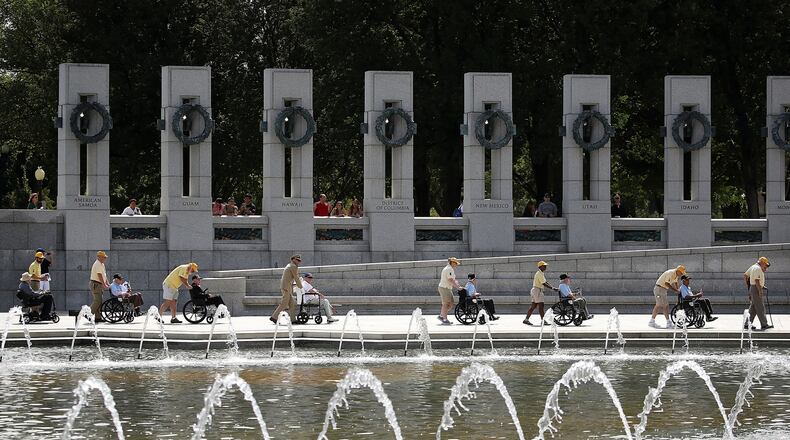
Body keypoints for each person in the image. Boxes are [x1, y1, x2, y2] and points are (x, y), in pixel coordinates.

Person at [270, 254, 302, 324]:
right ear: (293, 259)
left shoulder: (289, 265)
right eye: (297, 260)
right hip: (287, 287)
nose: (298, 262)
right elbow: (296, 277)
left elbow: (290, 278)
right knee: (284, 303)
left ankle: (293, 319)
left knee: (292, 303)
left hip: (286, 286)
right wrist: (301, 287)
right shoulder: (293, 266)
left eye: (299, 260)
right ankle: (274, 317)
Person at [524, 261, 557, 325]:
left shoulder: (540, 273)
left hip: (536, 290)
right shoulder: (539, 274)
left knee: (533, 306)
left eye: (545, 266)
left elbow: (545, 282)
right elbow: (544, 283)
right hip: (537, 290)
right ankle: (543, 321)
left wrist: (552, 287)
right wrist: (553, 288)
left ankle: (526, 319)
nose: (545, 267)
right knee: (541, 306)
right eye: (544, 266)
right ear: (540, 267)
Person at [743, 256, 772, 330]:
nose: (766, 267)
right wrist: (760, 290)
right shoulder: (757, 268)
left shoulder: (753, 267)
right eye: (765, 265)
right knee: (760, 307)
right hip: (756, 289)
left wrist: (750, 287)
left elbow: (745, 275)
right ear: (761, 263)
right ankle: (764, 324)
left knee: (753, 308)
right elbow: (756, 280)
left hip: (754, 288)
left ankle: (747, 324)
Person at [437, 257, 461, 325]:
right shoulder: (449, 269)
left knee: (451, 303)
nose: (456, 265)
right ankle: (444, 319)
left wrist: (458, 286)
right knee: (446, 304)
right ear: (452, 262)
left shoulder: (450, 269)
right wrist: (457, 287)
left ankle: (442, 316)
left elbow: (453, 279)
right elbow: (450, 280)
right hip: (444, 288)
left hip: (447, 288)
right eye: (456, 263)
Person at [89, 251, 110, 321]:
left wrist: (107, 283)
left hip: (98, 284)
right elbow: (99, 275)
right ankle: (88, 314)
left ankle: (98, 317)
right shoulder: (97, 264)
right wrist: (104, 284)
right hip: (96, 284)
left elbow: (104, 275)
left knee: (99, 301)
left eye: (105, 257)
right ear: (99, 257)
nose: (105, 258)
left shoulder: (102, 264)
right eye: (103, 257)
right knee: (97, 301)